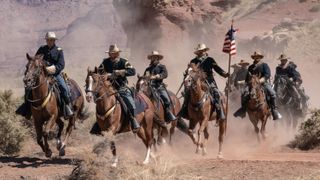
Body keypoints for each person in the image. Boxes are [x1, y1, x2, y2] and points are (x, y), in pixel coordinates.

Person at [16, 32, 73, 119]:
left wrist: (52, 69)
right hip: (42, 74)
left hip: (55, 74)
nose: (49, 41)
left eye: (51, 40)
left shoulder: (59, 50)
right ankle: (26, 108)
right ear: (46, 40)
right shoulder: (41, 49)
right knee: (28, 88)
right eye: (48, 40)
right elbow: (35, 61)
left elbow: (61, 65)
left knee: (63, 88)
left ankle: (67, 108)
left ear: (54, 41)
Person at [178, 43, 229, 121]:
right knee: (187, 93)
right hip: (196, 81)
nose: (201, 52)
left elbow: (217, 68)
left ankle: (219, 112)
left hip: (209, 80)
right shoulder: (193, 61)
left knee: (216, 93)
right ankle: (184, 111)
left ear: (205, 51)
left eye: (202, 51)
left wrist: (224, 74)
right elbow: (189, 71)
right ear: (197, 52)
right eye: (199, 51)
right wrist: (187, 74)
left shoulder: (210, 60)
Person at [98, 44, 140, 132]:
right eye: (110, 53)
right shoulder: (105, 62)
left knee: (130, 104)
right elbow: (99, 71)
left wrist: (117, 72)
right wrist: (103, 75)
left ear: (117, 53)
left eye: (113, 53)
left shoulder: (123, 61)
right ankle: (98, 126)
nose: (111, 54)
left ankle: (133, 121)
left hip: (121, 87)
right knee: (100, 104)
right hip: (109, 88)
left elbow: (132, 71)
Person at [234, 51, 282, 120]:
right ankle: (243, 110)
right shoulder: (250, 67)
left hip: (263, 83)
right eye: (255, 57)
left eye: (257, 57)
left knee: (273, 93)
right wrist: (243, 82)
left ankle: (274, 110)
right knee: (244, 94)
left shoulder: (264, 65)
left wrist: (259, 80)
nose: (256, 58)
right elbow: (247, 78)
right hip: (252, 84)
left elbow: (267, 75)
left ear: (260, 57)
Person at [143, 51, 176, 122]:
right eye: (152, 57)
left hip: (159, 87)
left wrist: (157, 76)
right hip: (148, 87)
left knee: (166, 99)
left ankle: (168, 113)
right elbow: (145, 77)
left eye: (155, 57)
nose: (153, 58)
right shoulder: (148, 69)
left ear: (158, 58)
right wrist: (145, 78)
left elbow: (165, 74)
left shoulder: (162, 67)